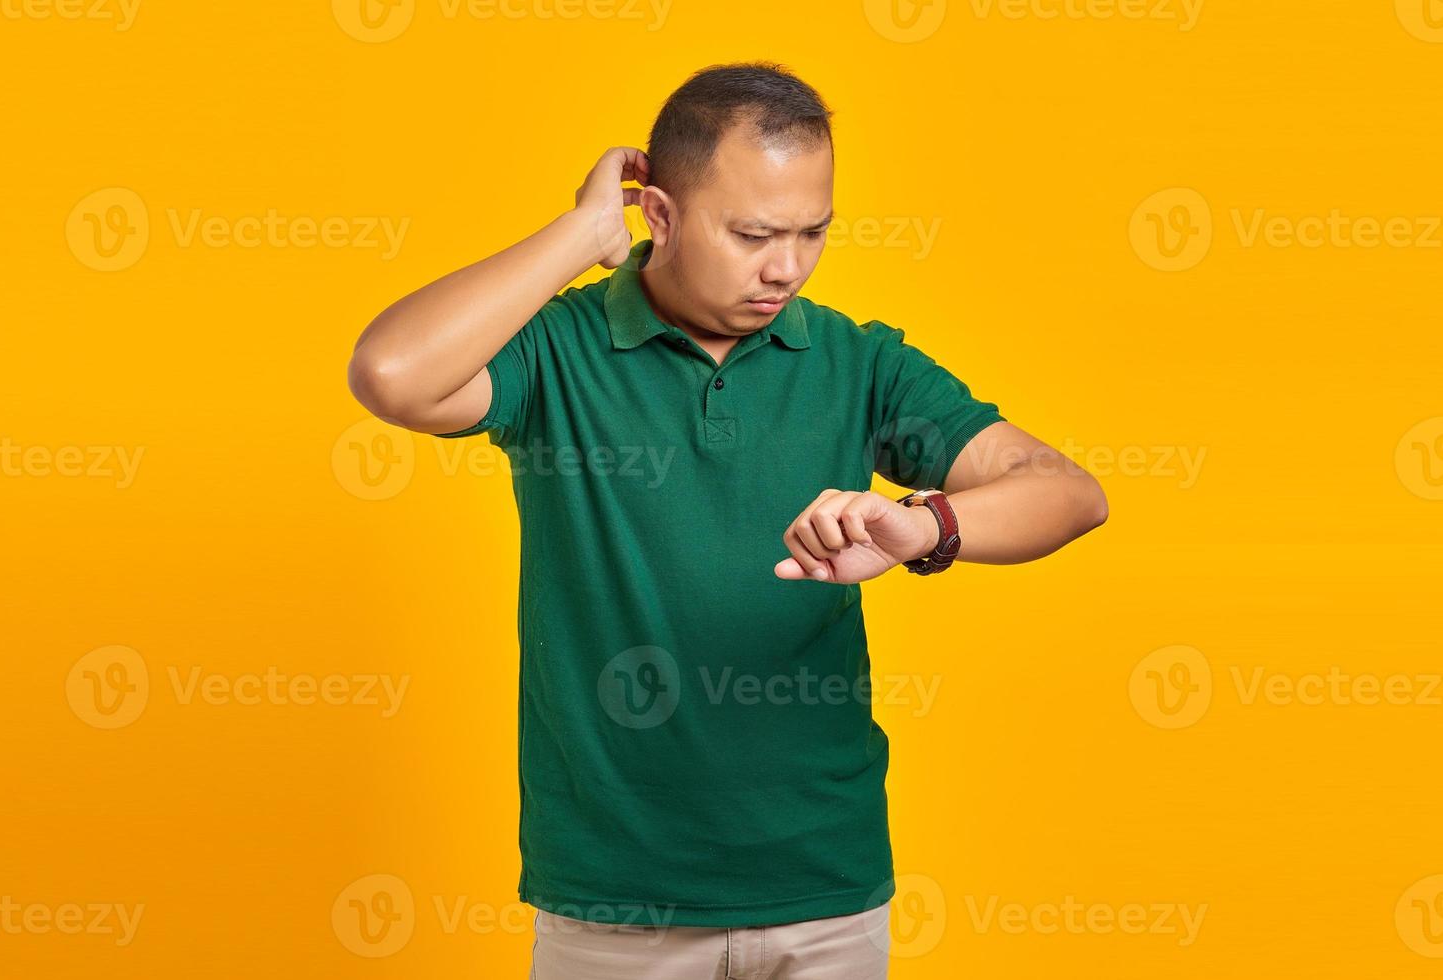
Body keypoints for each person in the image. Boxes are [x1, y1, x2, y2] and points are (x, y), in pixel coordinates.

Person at [348, 61, 1107, 980]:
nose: (785, 266)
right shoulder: (557, 352)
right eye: (752, 233)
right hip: (617, 896)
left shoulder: (854, 360)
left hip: (825, 888)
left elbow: (1068, 494)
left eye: (811, 232)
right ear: (658, 215)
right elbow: (392, 375)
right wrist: (581, 234)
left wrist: (924, 523)